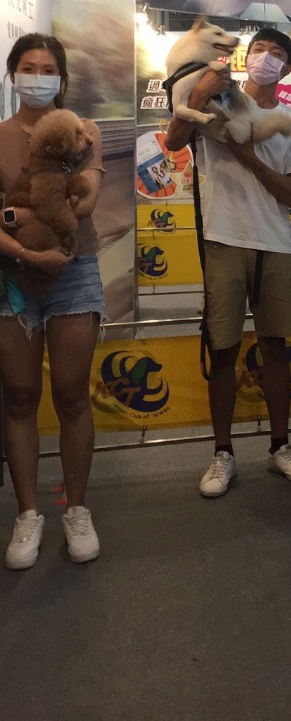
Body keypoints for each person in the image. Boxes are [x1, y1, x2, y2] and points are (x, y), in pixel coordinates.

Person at [165, 28, 291, 498]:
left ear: (287, 67)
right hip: (222, 237)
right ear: (243, 56)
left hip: (273, 242)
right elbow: (174, 140)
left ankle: (280, 447)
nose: (265, 58)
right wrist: (199, 94)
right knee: (223, 349)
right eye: (258, 50)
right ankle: (222, 452)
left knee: (275, 347)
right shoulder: (217, 100)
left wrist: (251, 160)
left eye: (276, 53)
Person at [0, 34, 105, 570]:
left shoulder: (85, 132)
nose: (37, 77)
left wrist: (16, 214)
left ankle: (77, 509)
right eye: (28, 67)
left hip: (74, 271)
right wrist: (23, 247)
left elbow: (85, 203)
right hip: (12, 277)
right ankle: (27, 512)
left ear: (62, 78)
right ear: (12, 74)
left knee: (71, 395)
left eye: (47, 69)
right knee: (19, 397)